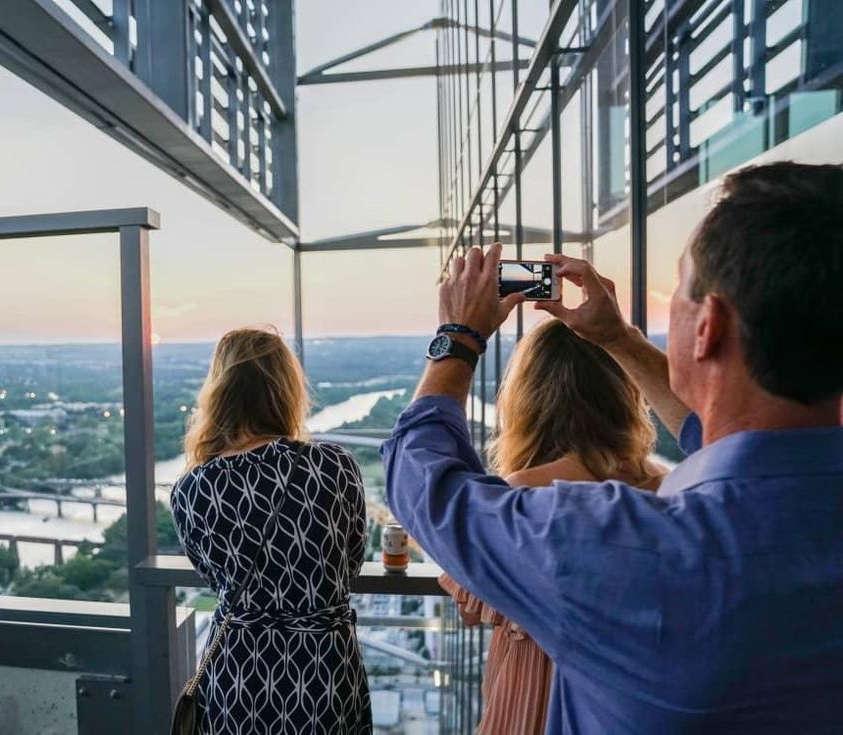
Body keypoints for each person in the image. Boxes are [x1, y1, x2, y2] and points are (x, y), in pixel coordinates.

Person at [382, 162, 843, 733]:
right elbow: (727, 442)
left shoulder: (625, 546)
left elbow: (424, 484)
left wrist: (458, 335)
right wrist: (616, 339)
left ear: (708, 327)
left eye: (679, 290)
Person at [440, 318, 667, 735]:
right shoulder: (666, 490)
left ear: (526, 401)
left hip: (531, 708)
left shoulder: (517, 499)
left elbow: (470, 606)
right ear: (625, 395)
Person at [171, 327, 372, 734]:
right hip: (321, 668)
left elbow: (215, 578)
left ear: (219, 393)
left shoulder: (193, 489)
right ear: (286, 389)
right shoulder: (334, 466)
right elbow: (349, 562)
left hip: (239, 672)